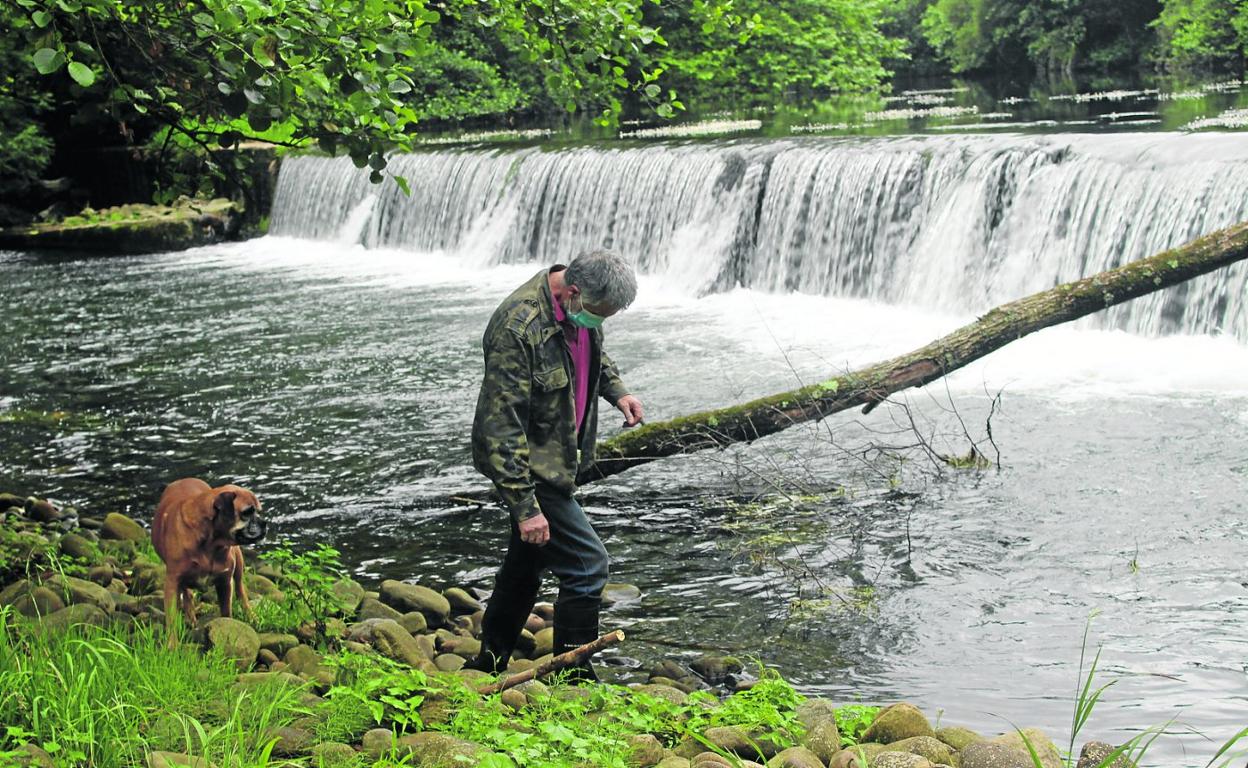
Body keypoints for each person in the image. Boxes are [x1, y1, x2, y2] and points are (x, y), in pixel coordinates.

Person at [468, 249, 644, 681]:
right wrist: (525, 506)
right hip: (532, 468)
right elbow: (499, 425)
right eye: (598, 313)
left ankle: (489, 662)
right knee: (587, 565)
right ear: (574, 292)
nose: (599, 322)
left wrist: (617, 391)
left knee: (525, 566)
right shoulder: (518, 327)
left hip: (560, 460)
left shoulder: (579, 311)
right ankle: (573, 679)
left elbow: (594, 355)